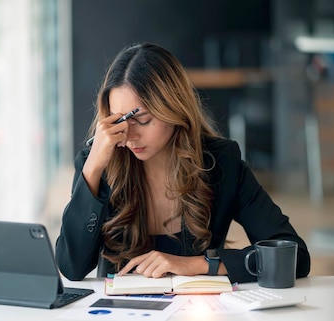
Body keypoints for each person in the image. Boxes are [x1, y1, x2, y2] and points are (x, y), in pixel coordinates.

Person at [55, 42, 310, 283]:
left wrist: (201, 265)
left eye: (141, 118)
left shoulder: (221, 163)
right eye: (118, 121)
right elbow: (71, 268)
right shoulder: (98, 165)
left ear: (173, 107)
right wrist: (92, 171)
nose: (129, 135)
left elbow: (295, 257)